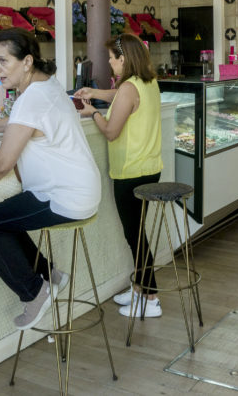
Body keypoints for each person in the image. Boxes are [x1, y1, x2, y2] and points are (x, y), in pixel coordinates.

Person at [0, 29, 101, 330]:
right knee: (6, 216)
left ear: (27, 61)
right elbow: (23, 121)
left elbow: (2, 163)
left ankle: (34, 291)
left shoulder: (32, 98)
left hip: (63, 197)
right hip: (81, 192)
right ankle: (50, 274)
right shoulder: (48, 86)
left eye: (3, 61)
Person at [76, 34, 163, 318]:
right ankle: (140, 288)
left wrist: (92, 114)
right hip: (150, 167)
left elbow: (112, 132)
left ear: (123, 59)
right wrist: (95, 93)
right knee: (138, 234)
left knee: (135, 236)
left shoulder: (128, 87)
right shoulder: (146, 83)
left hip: (130, 172)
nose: (111, 64)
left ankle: (150, 298)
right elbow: (121, 96)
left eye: (112, 59)